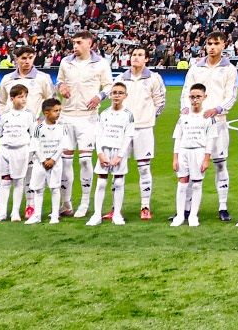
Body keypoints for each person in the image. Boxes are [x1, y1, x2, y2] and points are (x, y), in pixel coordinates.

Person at [56, 30, 114, 221]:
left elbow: (108, 86)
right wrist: (61, 87)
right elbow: (59, 81)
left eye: (79, 42)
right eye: (73, 42)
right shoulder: (66, 62)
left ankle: (85, 202)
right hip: (65, 116)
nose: (75, 45)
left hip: (88, 118)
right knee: (64, 161)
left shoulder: (101, 64)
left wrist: (100, 96)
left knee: (84, 160)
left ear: (90, 43)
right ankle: (66, 204)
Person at [187, 31, 238, 222]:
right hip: (196, 124)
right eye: (209, 43)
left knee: (220, 164)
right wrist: (187, 112)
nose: (212, 47)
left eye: (216, 43)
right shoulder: (196, 67)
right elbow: (186, 91)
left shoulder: (229, 69)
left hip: (218, 123)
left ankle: (223, 206)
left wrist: (217, 109)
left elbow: (232, 96)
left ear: (223, 45)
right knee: (190, 165)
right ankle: (187, 209)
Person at [120, 45, 166, 221]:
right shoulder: (121, 78)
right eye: (133, 54)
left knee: (144, 168)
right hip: (123, 130)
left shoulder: (154, 78)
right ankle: (116, 207)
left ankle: (145, 206)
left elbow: (160, 102)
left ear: (146, 59)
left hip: (144, 129)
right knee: (118, 169)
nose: (136, 57)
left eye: (140, 55)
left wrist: (148, 118)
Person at [90, 81, 137, 226]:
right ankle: (97, 214)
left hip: (118, 152)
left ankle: (117, 213)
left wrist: (120, 155)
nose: (117, 95)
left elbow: (128, 136)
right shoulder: (104, 114)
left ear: (125, 96)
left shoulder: (128, 115)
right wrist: (100, 153)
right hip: (104, 151)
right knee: (102, 182)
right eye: (114, 92)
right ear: (110, 95)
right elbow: (98, 135)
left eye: (120, 93)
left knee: (118, 181)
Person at [0, 84, 37, 223]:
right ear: (12, 98)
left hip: (21, 150)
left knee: (18, 180)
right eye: (20, 96)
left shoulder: (29, 115)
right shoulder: (4, 116)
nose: (24, 99)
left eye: (25, 96)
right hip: (5, 150)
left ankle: (15, 212)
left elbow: (33, 134)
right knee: (5, 179)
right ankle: (2, 212)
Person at [171, 84, 213, 228]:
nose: (195, 100)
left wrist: (207, 159)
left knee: (196, 184)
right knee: (182, 184)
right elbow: (178, 137)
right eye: (192, 97)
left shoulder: (208, 117)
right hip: (184, 151)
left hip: (199, 152)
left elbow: (210, 140)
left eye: (198, 97)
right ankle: (180, 215)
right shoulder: (183, 117)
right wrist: (175, 158)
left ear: (204, 97)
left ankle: (193, 215)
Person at [30, 97, 72, 225]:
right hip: (40, 163)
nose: (58, 113)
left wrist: (53, 159)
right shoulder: (38, 128)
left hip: (55, 163)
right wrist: (44, 160)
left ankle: (54, 215)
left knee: (55, 188)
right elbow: (35, 146)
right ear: (46, 113)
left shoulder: (62, 128)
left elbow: (62, 145)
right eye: (55, 111)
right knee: (38, 189)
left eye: (59, 110)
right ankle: (37, 215)